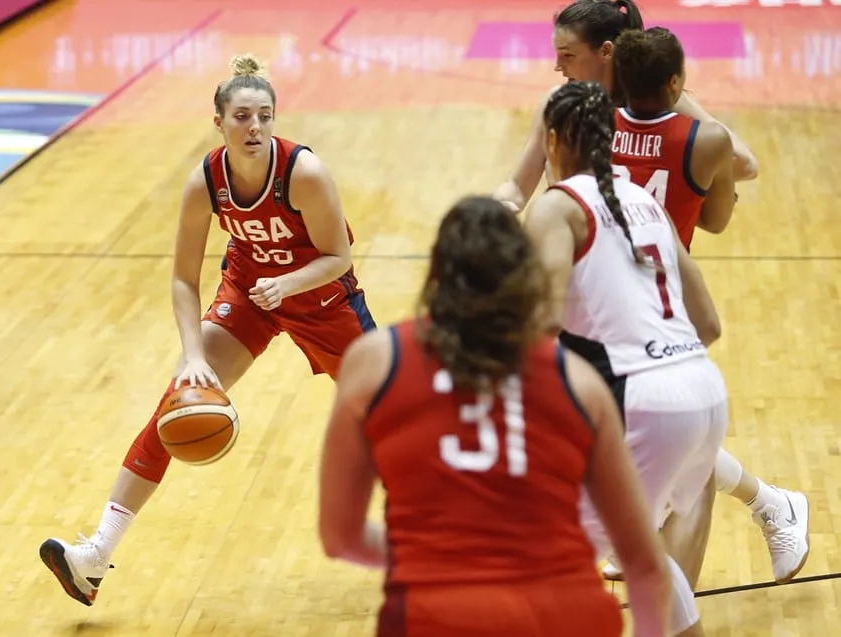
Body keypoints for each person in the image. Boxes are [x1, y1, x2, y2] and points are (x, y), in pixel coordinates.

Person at [39, 53, 376, 606]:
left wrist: (287, 284)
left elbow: (338, 255)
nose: (256, 127)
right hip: (248, 295)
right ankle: (95, 555)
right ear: (218, 120)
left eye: (265, 116)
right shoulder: (206, 180)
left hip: (321, 300)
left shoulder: (304, 173)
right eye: (242, 116)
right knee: (177, 403)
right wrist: (192, 353)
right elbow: (181, 277)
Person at [318, 195, 671, 637]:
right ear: (525, 281)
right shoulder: (578, 383)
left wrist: (431, 556)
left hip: (436, 616)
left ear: (437, 277)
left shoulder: (375, 362)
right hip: (566, 614)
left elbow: (340, 538)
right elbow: (646, 565)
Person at [607, 26, 810, 585]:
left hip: (619, 296)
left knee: (649, 430)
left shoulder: (594, 125)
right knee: (647, 430)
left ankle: (767, 503)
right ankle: (765, 504)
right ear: (676, 82)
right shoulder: (708, 138)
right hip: (662, 293)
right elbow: (717, 221)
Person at [524, 80, 727, 637]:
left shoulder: (557, 207)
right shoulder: (644, 201)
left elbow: (541, 323)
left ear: (554, 140)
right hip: (704, 391)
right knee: (642, 555)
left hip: (645, 403)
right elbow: (708, 322)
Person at [492, 0, 758, 217]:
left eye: (568, 55)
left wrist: (684, 184)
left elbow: (745, 163)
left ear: (606, 51)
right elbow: (517, 187)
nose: (557, 66)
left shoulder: (662, 100)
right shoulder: (558, 103)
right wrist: (494, 214)